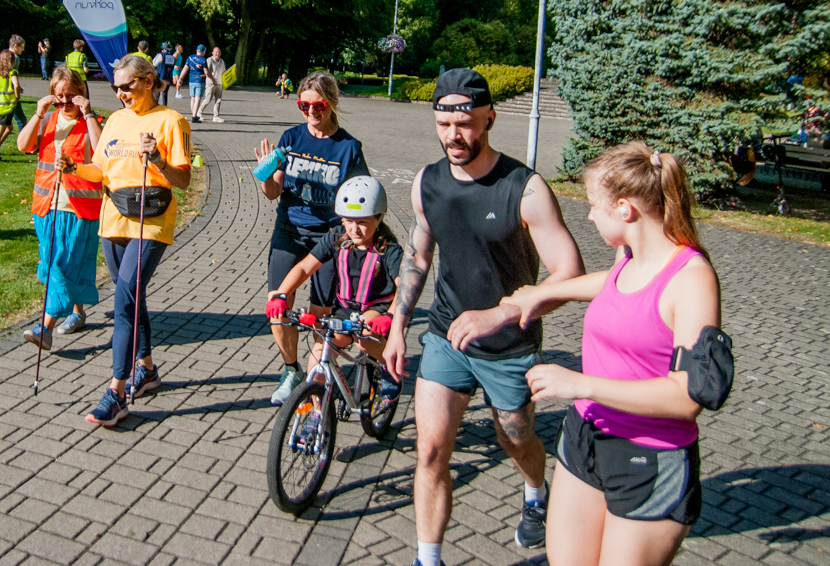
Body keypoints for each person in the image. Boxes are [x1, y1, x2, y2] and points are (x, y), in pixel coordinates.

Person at [379, 67, 585, 564]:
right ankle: (427, 558)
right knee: (429, 451)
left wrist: (501, 313)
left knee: (515, 438)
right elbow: (418, 255)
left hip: (508, 344)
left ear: (490, 118)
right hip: (447, 337)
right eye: (445, 125)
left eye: (467, 123)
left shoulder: (524, 188)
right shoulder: (427, 182)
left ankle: (536, 493)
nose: (455, 136)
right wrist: (398, 324)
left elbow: (569, 273)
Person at [500, 143, 725, 566]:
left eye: (592, 206)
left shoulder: (692, 278)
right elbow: (615, 283)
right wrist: (544, 293)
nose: (588, 215)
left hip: (648, 458)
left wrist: (580, 383)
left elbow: (688, 398)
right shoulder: (631, 256)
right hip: (584, 438)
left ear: (625, 209)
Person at [75, 54, 192, 426]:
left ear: (148, 81)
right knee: (133, 297)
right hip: (113, 218)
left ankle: (117, 392)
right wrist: (72, 167)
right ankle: (148, 370)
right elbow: (100, 168)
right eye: (115, 87)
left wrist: (156, 157)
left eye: (127, 85)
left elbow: (184, 180)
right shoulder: (115, 119)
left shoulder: (172, 121)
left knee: (124, 299)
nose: (121, 93)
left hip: (150, 220)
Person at [253, 70, 369, 404]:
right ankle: (291, 370)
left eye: (317, 105)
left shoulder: (348, 148)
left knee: (320, 315)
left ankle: (317, 373)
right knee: (278, 304)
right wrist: (264, 175)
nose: (311, 112)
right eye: (304, 105)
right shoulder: (291, 138)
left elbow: (360, 197)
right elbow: (273, 192)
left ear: (331, 103)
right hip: (289, 232)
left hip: (330, 239)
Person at [265, 175, 403, 409]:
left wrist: (390, 316)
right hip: (344, 308)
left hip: (375, 309)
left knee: (365, 337)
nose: (354, 229)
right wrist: (281, 294)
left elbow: (405, 288)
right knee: (318, 357)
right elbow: (305, 266)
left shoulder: (388, 249)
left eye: (363, 222)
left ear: (378, 218)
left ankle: (388, 367)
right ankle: (316, 415)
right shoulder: (337, 237)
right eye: (349, 221)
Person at [17, 66, 105, 348]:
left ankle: (45, 328)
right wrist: (39, 112)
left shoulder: (94, 121)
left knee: (61, 264)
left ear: (82, 93)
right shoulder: (47, 119)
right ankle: (77, 312)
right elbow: (22, 145)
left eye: (72, 95)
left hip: (78, 208)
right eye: (60, 96)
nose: (66, 101)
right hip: (45, 205)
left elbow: (104, 151)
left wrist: (89, 113)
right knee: (59, 261)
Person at [178, 44, 209, 123]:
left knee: (192, 98)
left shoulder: (190, 58)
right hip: (200, 81)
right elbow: (206, 72)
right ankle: (194, 116)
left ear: (196, 50)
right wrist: (211, 77)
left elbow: (185, 69)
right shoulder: (203, 60)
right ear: (203, 52)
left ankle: (193, 114)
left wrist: (180, 78)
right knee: (198, 99)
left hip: (191, 81)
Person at [202, 46, 226, 123]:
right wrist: (211, 78)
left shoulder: (222, 61)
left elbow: (224, 72)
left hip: (219, 83)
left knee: (218, 100)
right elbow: (206, 71)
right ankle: (199, 112)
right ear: (212, 52)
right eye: (216, 52)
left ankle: (216, 116)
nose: (217, 54)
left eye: (218, 52)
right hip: (211, 83)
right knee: (208, 99)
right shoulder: (209, 60)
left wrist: (232, 72)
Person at [152, 42, 174, 106]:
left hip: (161, 75)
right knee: (165, 93)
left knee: (157, 91)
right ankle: (165, 106)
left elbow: (154, 63)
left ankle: (155, 105)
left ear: (164, 49)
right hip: (169, 77)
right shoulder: (172, 56)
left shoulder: (161, 55)